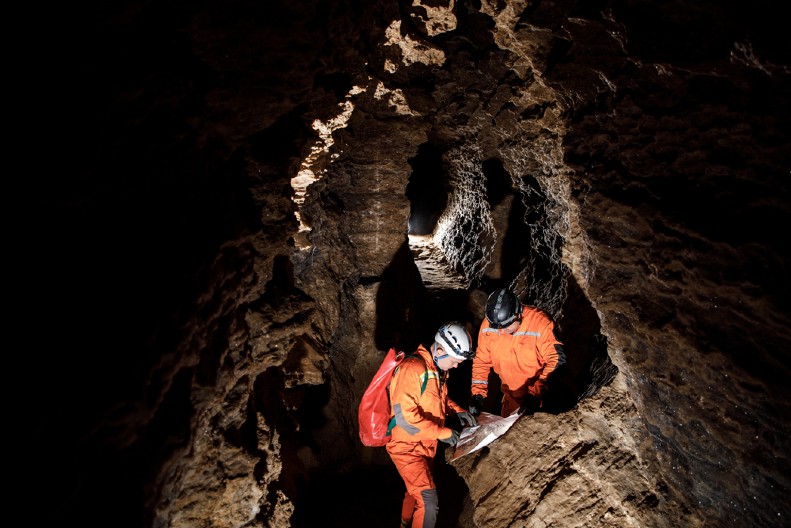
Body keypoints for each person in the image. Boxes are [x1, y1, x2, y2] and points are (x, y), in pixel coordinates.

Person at [387, 321, 478, 528]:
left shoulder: (436, 371)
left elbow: (439, 400)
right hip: (406, 447)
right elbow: (404, 419)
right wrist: (442, 432)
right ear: (439, 350)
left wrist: (458, 410)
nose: (456, 366)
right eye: (455, 361)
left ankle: (404, 524)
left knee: (415, 490)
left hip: (425, 445)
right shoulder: (411, 370)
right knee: (428, 501)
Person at [469, 288, 566, 417]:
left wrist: (536, 395)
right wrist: (478, 395)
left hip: (538, 399)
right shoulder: (489, 325)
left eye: (507, 326)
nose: (502, 332)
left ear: (518, 313)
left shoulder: (540, 323)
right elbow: (481, 362)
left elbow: (557, 360)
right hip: (511, 399)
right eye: (498, 328)